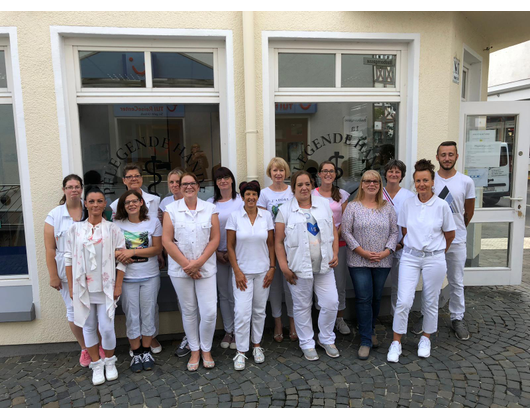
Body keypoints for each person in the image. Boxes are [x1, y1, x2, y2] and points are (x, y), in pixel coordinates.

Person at [387, 159, 456, 363]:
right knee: (404, 300)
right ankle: (396, 342)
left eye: (425, 180)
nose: (422, 184)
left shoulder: (442, 205)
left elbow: (449, 234)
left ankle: (426, 338)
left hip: (434, 258)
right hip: (410, 256)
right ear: (414, 182)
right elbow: (405, 231)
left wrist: (439, 252)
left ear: (432, 181)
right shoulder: (409, 203)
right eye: (418, 181)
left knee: (430, 300)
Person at [275, 170, 340, 361]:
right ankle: (307, 343)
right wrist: (284, 267)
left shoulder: (324, 205)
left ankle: (326, 338)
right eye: (299, 185)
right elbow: (278, 242)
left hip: (325, 266)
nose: (304, 188)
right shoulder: (284, 211)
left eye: (307, 184)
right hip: (298, 268)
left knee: (331, 302)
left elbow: (334, 231)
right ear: (293, 188)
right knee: (302, 306)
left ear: (312, 185)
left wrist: (335, 253)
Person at [64, 186, 127, 386]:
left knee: (107, 328)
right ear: (85, 203)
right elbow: (68, 260)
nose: (95, 205)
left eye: (99, 201)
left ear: (105, 204)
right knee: (89, 327)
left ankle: (110, 361)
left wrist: (118, 285)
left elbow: (122, 259)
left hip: (106, 287)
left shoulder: (113, 229)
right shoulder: (75, 230)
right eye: (91, 201)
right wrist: (72, 288)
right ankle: (96, 364)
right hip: (84, 289)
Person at [162, 172, 220, 371]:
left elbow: (215, 239)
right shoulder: (171, 209)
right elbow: (167, 241)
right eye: (184, 183)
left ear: (198, 186)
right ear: (178, 186)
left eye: (192, 183)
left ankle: (206, 348)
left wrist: (199, 263)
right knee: (189, 311)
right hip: (181, 270)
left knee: (210, 312)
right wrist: (188, 265)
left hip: (205, 269)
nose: (188, 187)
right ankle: (195, 350)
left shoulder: (210, 208)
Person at [44, 174, 104, 367]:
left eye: (77, 186)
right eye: (70, 187)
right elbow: (50, 249)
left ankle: (100, 346)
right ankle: (85, 348)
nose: (74, 190)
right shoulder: (54, 215)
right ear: (64, 190)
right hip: (65, 272)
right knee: (73, 312)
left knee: (94, 309)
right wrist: (53, 275)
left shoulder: (90, 210)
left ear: (81, 189)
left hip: (92, 271)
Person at [342, 170, 398, 360]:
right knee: (363, 298)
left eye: (375, 181)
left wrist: (386, 251)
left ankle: (371, 329)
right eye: (367, 181)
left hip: (382, 260)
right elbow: (346, 232)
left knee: (375, 298)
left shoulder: (388, 208)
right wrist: (362, 252)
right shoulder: (352, 207)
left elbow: (394, 232)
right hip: (359, 260)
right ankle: (365, 340)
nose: (371, 184)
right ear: (362, 184)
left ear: (380, 184)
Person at [110, 163, 163, 353]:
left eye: (135, 201)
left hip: (150, 273)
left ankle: (147, 347)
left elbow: (157, 248)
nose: (132, 204)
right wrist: (119, 254)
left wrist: (131, 252)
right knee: (132, 314)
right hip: (127, 277)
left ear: (142, 203)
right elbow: (110, 249)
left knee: (149, 311)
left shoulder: (153, 220)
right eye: (128, 202)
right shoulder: (115, 222)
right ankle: (136, 348)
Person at [226, 180, 275, 370]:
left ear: (257, 196)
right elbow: (230, 246)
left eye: (254, 194)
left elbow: (271, 244)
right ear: (242, 196)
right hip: (243, 273)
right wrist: (237, 271)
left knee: (259, 311)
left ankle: (256, 346)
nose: (251, 197)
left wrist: (272, 268)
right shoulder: (235, 217)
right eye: (248, 194)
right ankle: (241, 351)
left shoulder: (266, 216)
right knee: (242, 312)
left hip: (263, 271)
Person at [433, 141, 475, 340]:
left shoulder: (466, 181)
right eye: (443, 154)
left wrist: (455, 230)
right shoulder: (430, 180)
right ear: (437, 157)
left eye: (451, 154)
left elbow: (469, 211)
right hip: (433, 240)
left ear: (456, 157)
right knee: (431, 280)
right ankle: (426, 315)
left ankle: (457, 317)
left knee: (456, 281)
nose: (447, 158)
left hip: (457, 240)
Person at [257, 157, 296, 343]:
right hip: (271, 244)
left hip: (291, 244)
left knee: (291, 285)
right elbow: (262, 221)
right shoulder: (264, 194)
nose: (278, 173)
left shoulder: (292, 191)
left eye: (281, 170)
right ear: (270, 173)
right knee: (274, 287)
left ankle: (293, 322)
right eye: (274, 170)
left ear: (286, 172)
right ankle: (278, 324)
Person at [207, 167, 244, 350]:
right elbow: (207, 232)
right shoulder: (210, 204)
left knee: (239, 294)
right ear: (215, 182)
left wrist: (233, 253)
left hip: (239, 255)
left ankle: (240, 330)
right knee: (224, 294)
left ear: (232, 180)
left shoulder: (241, 201)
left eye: (226, 177)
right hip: (218, 254)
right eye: (219, 178)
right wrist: (215, 252)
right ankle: (229, 330)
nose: (223, 181)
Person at [313, 161, 351, 335]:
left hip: (339, 244)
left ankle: (339, 318)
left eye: (331, 171)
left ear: (335, 174)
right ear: (319, 174)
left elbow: (346, 219)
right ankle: (322, 317)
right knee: (319, 282)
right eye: (325, 171)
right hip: (317, 245)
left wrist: (335, 233)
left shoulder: (342, 194)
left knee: (339, 281)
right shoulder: (312, 194)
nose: (328, 174)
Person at [382, 159, 415, 315]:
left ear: (402, 175)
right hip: (380, 248)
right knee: (377, 284)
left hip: (402, 246)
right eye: (390, 171)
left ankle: (398, 317)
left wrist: (400, 243)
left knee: (400, 285)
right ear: (385, 174)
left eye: (397, 171)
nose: (393, 174)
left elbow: (412, 224)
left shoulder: (409, 196)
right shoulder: (378, 193)